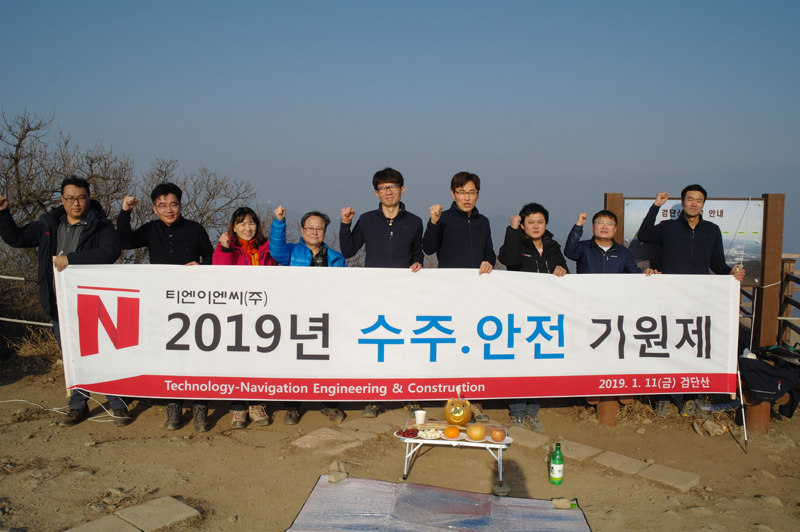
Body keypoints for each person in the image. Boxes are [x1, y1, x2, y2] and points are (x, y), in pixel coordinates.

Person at [0, 176, 127, 427]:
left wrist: (71, 259)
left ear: (89, 199)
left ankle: (118, 403)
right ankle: (78, 405)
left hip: (93, 302)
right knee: (71, 357)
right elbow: (17, 239)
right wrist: (3, 213)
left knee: (103, 353)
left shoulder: (101, 226)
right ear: (62, 199)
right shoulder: (48, 224)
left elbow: (110, 252)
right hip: (59, 303)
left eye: (81, 198)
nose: (76, 203)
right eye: (70, 198)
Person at [636, 184, 746, 418]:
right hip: (668, 295)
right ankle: (662, 397)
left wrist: (731, 272)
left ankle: (691, 397)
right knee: (666, 344)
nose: (694, 203)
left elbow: (716, 263)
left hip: (698, 297)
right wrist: (656, 206)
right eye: (690, 199)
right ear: (683, 202)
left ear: (703, 204)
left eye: (698, 200)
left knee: (694, 346)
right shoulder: (668, 227)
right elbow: (644, 235)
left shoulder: (712, 230)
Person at [117, 183, 215, 431]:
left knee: (197, 354)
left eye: (173, 204)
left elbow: (211, 257)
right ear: (154, 208)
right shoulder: (151, 229)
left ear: (181, 205)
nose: (168, 210)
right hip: (162, 301)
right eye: (162, 205)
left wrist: (201, 267)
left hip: (194, 301)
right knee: (167, 356)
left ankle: (200, 407)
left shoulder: (195, 229)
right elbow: (124, 241)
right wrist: (125, 211)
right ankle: (173, 406)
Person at [340, 167, 424, 419]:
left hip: (404, 293)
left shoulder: (414, 222)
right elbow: (348, 251)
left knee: (406, 343)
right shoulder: (366, 220)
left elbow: (417, 253)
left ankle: (409, 395)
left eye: (393, 187)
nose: (388, 192)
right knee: (377, 344)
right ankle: (375, 398)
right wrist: (345, 224)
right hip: (374, 293)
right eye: (383, 188)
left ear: (402, 189)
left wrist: (419, 262)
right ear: (376, 193)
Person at [422, 171, 496, 422]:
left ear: (478, 195)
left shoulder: (483, 221)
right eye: (462, 192)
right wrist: (433, 222)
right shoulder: (443, 219)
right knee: (451, 345)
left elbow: (490, 252)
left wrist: (489, 262)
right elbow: (428, 248)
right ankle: (451, 398)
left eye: (471, 192)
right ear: (453, 194)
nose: (467, 197)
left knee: (475, 345)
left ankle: (475, 400)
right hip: (449, 293)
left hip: (477, 294)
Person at [270, 206, 346, 424]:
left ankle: (330, 404)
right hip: (296, 315)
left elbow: (345, 288)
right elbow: (275, 249)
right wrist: (279, 221)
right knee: (294, 362)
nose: (314, 232)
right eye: (310, 228)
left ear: (325, 232)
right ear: (302, 230)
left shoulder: (336, 258)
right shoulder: (291, 252)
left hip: (326, 316)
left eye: (319, 228)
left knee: (327, 361)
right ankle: (292, 408)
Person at [498, 202, 569, 432]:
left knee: (538, 364)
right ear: (523, 224)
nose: (536, 226)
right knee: (520, 362)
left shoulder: (553, 247)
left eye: (540, 222)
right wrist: (512, 230)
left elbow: (564, 270)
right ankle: (517, 412)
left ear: (546, 223)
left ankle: (532, 412)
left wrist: (563, 270)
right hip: (519, 313)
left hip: (545, 315)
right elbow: (510, 261)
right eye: (530, 222)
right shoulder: (516, 244)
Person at [212, 206, 277, 428]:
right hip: (235, 313)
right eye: (242, 223)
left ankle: (256, 404)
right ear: (234, 227)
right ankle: (238, 407)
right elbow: (220, 274)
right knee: (236, 360)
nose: (247, 228)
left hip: (263, 313)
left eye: (251, 223)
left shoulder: (267, 248)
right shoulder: (225, 247)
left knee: (259, 359)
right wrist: (225, 249)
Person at [564, 210, 658, 275]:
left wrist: (647, 273)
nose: (605, 227)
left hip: (613, 297)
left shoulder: (622, 251)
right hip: (588, 296)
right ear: (593, 227)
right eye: (600, 223)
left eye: (610, 224)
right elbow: (570, 252)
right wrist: (578, 226)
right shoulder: (584, 247)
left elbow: (635, 273)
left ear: (615, 229)